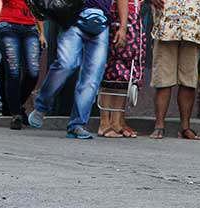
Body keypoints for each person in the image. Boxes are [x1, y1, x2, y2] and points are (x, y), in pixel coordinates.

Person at [28, 0, 129, 139]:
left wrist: (123, 27)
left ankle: (77, 124)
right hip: (73, 18)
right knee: (66, 64)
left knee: (92, 77)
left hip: (101, 23)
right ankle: (41, 106)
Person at [148, 0, 200, 139]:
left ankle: (185, 127)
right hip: (165, 27)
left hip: (193, 29)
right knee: (163, 80)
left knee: (189, 81)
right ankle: (159, 126)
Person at [0, 0, 46, 130]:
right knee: (13, 71)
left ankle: (16, 105)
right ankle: (16, 114)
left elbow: (39, 9)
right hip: (8, 25)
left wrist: (42, 33)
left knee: (33, 72)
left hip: (30, 28)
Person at [97, 0, 145, 138]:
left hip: (132, 17)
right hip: (120, 18)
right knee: (111, 71)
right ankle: (105, 122)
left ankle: (117, 121)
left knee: (125, 71)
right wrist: (123, 27)